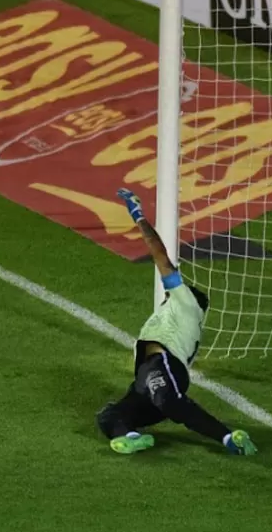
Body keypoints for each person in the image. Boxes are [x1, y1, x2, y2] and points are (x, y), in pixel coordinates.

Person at [95, 189, 257, 456]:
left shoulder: (187, 305)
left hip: (162, 368)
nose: (169, 291)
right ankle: (130, 436)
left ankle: (228, 437)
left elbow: (160, 257)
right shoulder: (181, 319)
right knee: (109, 415)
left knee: (169, 401)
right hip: (146, 379)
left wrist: (138, 216)